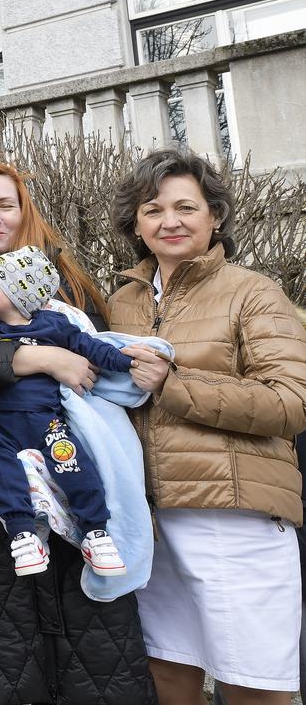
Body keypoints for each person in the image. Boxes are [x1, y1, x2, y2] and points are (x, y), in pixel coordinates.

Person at [0, 161, 155, 703]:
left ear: (24, 213)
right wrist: (41, 358)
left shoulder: (67, 282)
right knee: (1, 655)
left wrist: (140, 365)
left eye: (5, 205)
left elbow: (98, 354)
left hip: (70, 468)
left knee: (94, 646)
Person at [107, 149, 306, 704]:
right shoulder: (123, 302)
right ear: (136, 225)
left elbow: (291, 401)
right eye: (152, 210)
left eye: (185, 207)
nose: (169, 221)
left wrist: (175, 385)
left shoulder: (252, 291)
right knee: (168, 674)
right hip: (149, 521)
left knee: (255, 684)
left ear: (214, 216)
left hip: (234, 515)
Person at [0, 246, 132, 577]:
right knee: (0, 471)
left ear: (15, 293)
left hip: (47, 422)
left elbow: (92, 348)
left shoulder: (54, 325)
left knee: (75, 466)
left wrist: (128, 362)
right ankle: (23, 534)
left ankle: (96, 532)